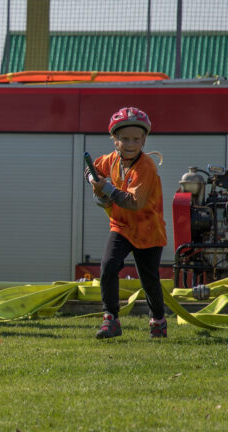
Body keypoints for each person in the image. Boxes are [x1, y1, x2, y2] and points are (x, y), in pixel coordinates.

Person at [87, 107, 167, 339]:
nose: (130, 144)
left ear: (144, 140)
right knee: (108, 267)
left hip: (148, 230)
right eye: (124, 139)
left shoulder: (147, 166)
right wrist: (93, 181)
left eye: (135, 139)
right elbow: (91, 169)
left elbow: (134, 202)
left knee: (149, 280)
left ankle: (158, 321)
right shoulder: (110, 160)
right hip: (121, 226)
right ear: (115, 140)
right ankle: (110, 319)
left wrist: (107, 190)